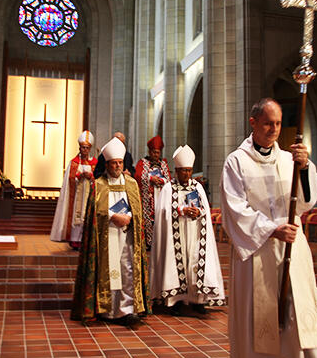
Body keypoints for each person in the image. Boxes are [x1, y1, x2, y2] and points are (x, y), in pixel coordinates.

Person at [220, 98, 317, 358]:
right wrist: (271, 230)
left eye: (278, 123)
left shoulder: (289, 159)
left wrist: (304, 168)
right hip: (257, 255)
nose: (274, 130)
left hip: (293, 251)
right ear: (253, 123)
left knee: (299, 322)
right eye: (268, 123)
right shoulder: (236, 162)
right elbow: (235, 209)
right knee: (259, 326)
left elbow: (305, 201)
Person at [70, 136, 149, 327]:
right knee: (110, 271)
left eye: (120, 163)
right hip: (106, 238)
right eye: (113, 163)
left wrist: (130, 217)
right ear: (107, 164)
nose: (117, 166)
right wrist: (112, 216)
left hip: (127, 236)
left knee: (128, 271)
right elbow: (93, 215)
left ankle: (128, 309)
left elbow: (137, 211)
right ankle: (109, 310)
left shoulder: (132, 184)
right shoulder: (98, 185)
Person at [151, 144, 225, 316]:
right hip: (175, 235)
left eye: (189, 170)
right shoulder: (168, 188)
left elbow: (205, 210)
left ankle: (198, 300)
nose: (187, 174)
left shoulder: (198, 188)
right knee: (178, 263)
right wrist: (180, 211)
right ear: (176, 170)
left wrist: (198, 212)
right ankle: (175, 300)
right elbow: (162, 213)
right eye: (183, 170)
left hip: (194, 233)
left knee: (194, 263)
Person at [50, 130, 98, 249]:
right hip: (76, 196)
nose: (85, 150)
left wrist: (91, 177)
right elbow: (69, 180)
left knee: (87, 216)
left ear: (90, 148)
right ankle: (75, 241)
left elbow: (99, 180)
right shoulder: (74, 163)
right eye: (82, 147)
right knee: (77, 217)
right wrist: (79, 176)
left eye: (87, 148)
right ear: (79, 148)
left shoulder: (95, 163)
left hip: (89, 196)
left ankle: (86, 241)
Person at [134, 135, 171, 250]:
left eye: (158, 152)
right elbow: (138, 176)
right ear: (150, 151)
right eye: (154, 152)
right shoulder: (143, 162)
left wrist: (162, 180)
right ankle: (148, 242)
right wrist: (150, 178)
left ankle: (160, 242)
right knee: (148, 219)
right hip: (148, 199)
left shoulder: (163, 164)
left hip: (160, 196)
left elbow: (168, 179)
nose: (156, 155)